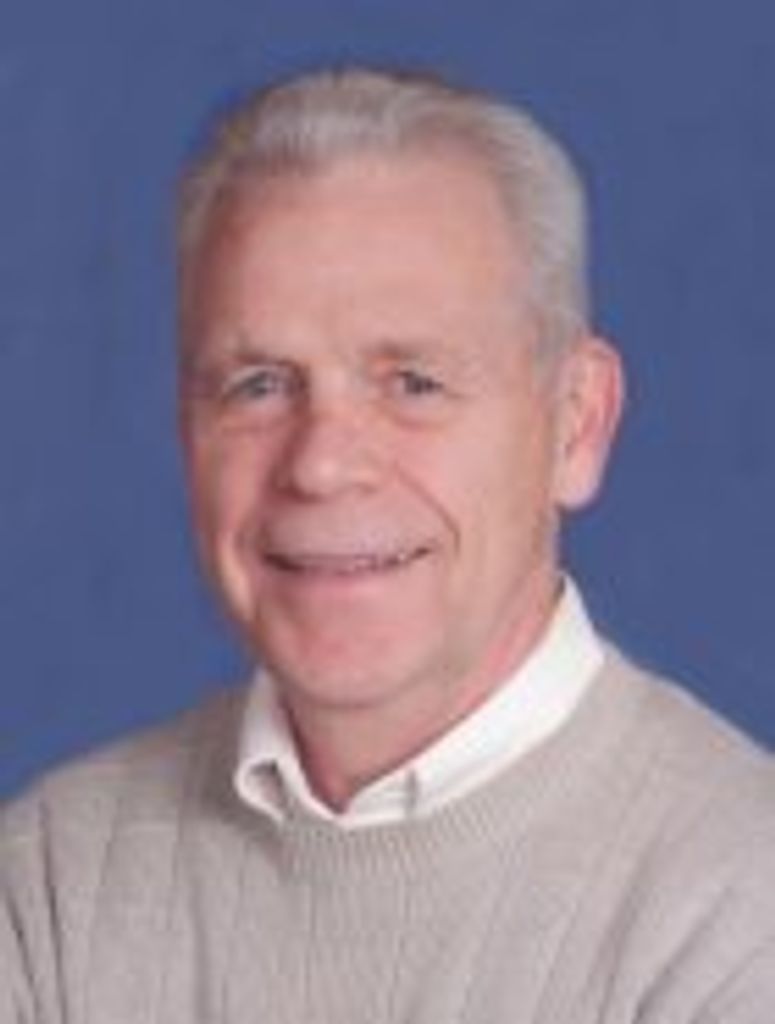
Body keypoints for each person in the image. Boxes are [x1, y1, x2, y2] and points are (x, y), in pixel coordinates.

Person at [2, 67, 774, 1024]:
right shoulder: (52, 886)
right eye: (258, 385)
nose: (321, 465)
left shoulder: (737, 913)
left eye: (413, 382)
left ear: (575, 424)